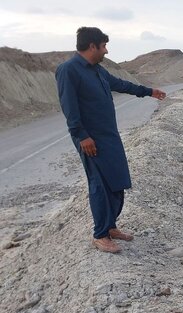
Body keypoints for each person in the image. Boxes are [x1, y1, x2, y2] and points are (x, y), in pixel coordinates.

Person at [56, 27, 166, 253]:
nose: (106, 50)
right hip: (90, 140)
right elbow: (69, 108)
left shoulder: (98, 70)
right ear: (92, 46)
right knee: (99, 184)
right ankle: (100, 234)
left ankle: (111, 226)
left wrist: (148, 91)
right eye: (104, 46)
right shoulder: (69, 70)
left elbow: (121, 84)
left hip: (109, 136)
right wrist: (82, 136)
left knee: (117, 180)